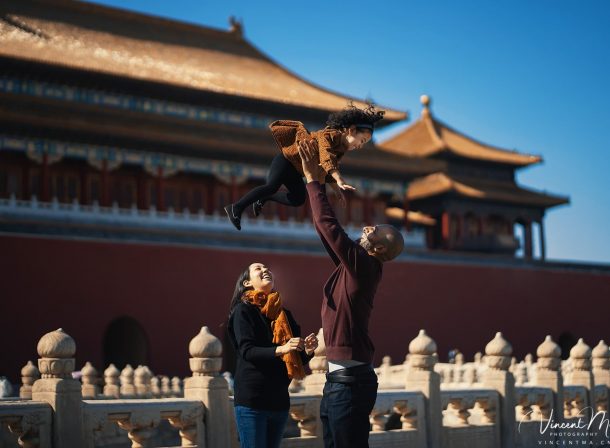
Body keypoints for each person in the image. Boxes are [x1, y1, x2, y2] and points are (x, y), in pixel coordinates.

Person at [297, 141, 405, 448]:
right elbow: (325, 234)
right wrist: (317, 181)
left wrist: (312, 180)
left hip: (350, 384)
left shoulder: (365, 266)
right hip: (337, 383)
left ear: (380, 249)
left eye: (374, 232)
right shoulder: (355, 267)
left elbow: (328, 227)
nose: (368, 228)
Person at [224, 103, 385, 230]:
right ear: (351, 130)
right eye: (362, 140)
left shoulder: (340, 149)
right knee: (271, 186)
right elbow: (325, 156)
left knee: (298, 199)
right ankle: (235, 208)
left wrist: (336, 190)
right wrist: (339, 179)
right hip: (286, 161)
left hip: (296, 170)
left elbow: (327, 168)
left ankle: (265, 198)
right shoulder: (327, 135)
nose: (360, 146)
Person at [227, 262, 318, 448]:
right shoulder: (243, 311)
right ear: (246, 283)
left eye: (266, 268)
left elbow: (294, 359)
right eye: (258, 269)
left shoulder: (284, 314)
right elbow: (247, 351)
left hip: (279, 401)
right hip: (253, 400)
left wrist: (307, 350)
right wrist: (282, 348)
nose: (265, 270)